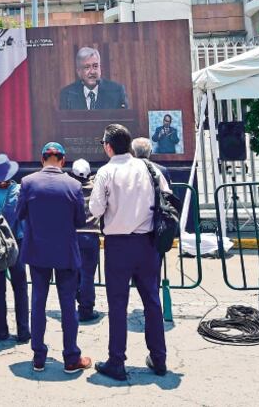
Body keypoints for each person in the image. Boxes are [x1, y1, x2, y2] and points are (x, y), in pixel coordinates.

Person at [90, 124, 168, 380]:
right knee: (152, 302)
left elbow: (96, 209)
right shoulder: (150, 168)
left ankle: (117, 361)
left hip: (118, 246)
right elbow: (166, 198)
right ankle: (159, 358)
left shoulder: (106, 171)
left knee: (117, 304)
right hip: (148, 243)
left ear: (108, 146)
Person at [16, 142, 92, 373]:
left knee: (38, 302)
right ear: (63, 160)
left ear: (42, 160)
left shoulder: (28, 183)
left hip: (37, 252)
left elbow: (20, 214)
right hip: (65, 253)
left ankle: (38, 355)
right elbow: (80, 221)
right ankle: (71, 357)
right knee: (68, 304)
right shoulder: (72, 185)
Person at [0, 153, 29, 342]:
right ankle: (23, 330)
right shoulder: (18, 190)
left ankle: (1, 330)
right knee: (20, 287)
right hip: (15, 243)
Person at [70, 158, 101, 322]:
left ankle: (76, 300)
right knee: (88, 275)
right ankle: (86, 309)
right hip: (91, 235)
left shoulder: (69, 188)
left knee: (74, 273)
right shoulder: (96, 186)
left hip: (73, 235)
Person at [58, 47, 129, 110]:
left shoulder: (117, 91)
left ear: (100, 68)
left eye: (95, 66)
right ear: (79, 71)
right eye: (87, 67)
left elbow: (123, 123)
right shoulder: (67, 94)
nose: (92, 71)